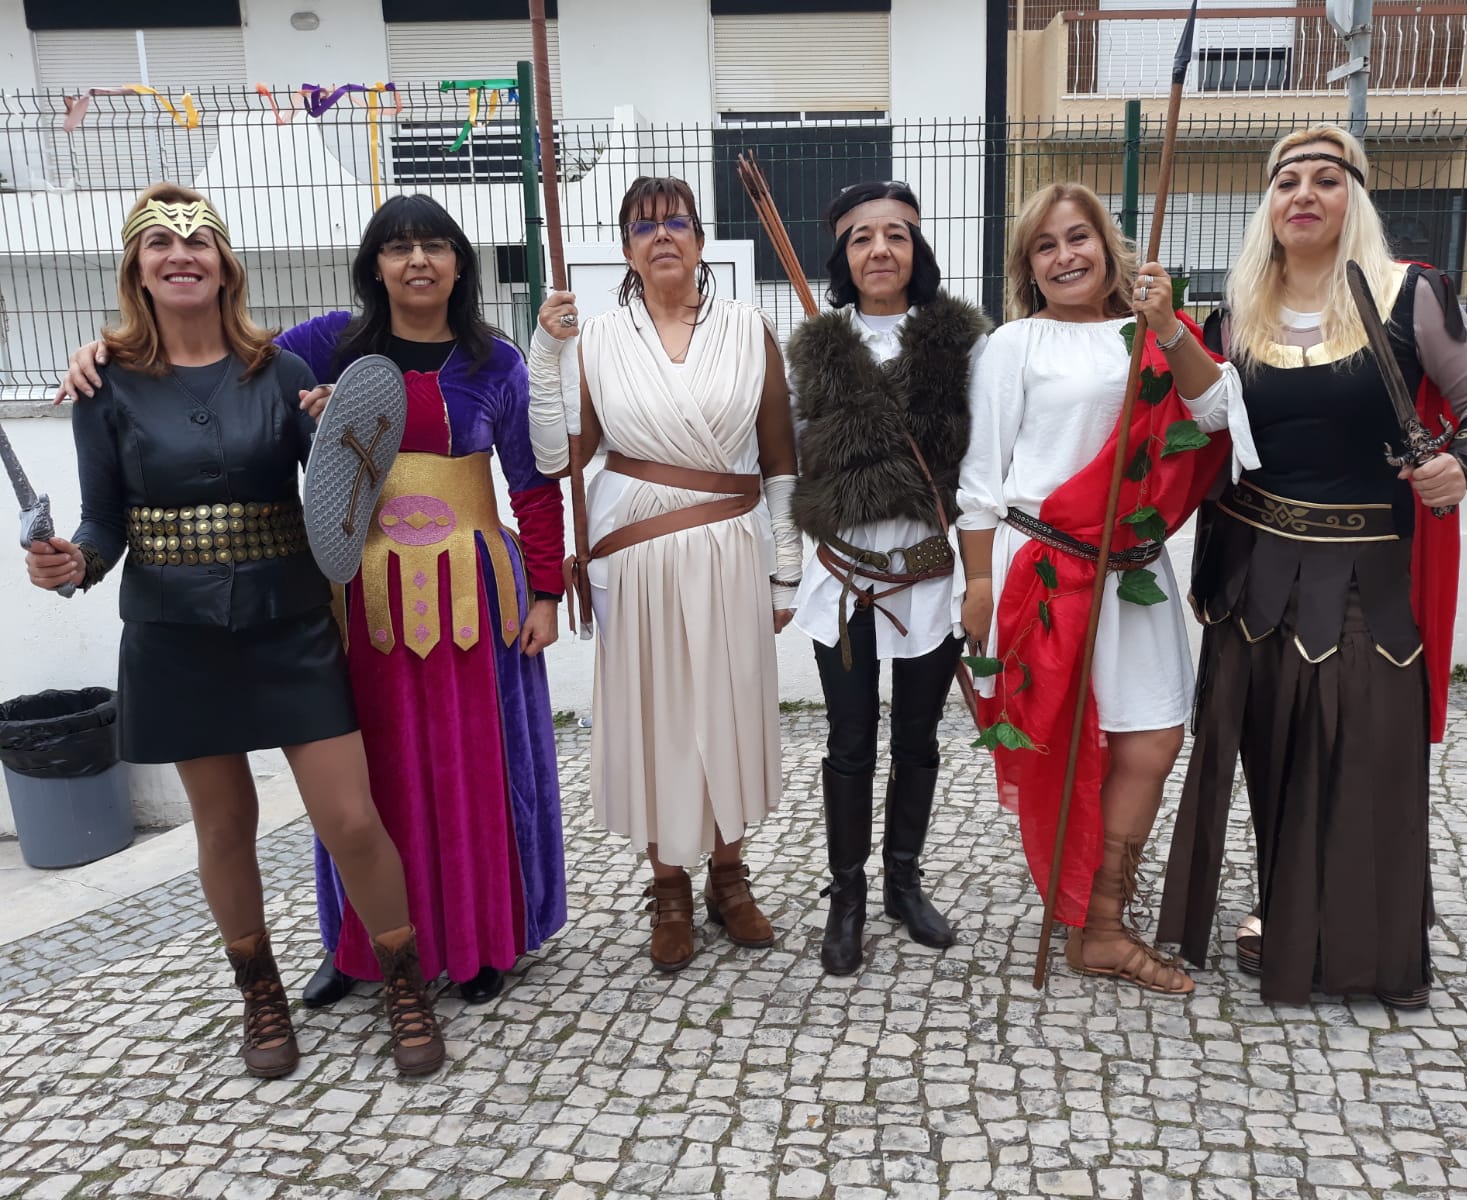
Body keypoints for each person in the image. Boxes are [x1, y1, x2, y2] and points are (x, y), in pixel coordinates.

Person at [57, 194, 568, 1007]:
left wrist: (545, 590)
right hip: (358, 597)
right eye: (398, 247)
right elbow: (221, 357)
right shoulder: (327, 343)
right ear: (374, 266)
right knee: (363, 786)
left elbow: (534, 484)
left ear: (461, 264)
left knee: (470, 766)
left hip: (472, 595)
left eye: (435, 246)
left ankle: (478, 939)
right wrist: (107, 351)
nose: (418, 261)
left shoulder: (496, 362)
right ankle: (357, 949)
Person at [28, 183, 444, 1077]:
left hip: (290, 624)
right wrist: (76, 564)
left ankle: (404, 983)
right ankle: (260, 996)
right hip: (174, 636)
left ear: (224, 265)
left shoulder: (280, 372)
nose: (181, 255)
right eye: (160, 244)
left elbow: (341, 497)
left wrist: (341, 432)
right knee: (223, 827)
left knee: (350, 817)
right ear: (137, 269)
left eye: (198, 242)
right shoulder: (105, 386)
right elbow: (104, 521)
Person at [1156, 125, 1467, 1008]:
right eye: (1287, 182)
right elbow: (1212, 434)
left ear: (1356, 197)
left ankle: (1367, 940)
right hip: (1252, 569)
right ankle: (1282, 910)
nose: (1304, 195)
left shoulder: (1411, 294)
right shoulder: (1237, 312)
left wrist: (1460, 461)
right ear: (1268, 204)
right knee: (1271, 747)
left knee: (1362, 748)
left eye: (1326, 179)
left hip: (1366, 569)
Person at [957, 182, 1254, 996]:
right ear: (1028, 266)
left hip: (1131, 570)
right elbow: (981, 478)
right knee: (1065, 745)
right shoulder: (1015, 344)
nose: (1065, 257)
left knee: (1151, 739)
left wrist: (1167, 328)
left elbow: (1218, 413)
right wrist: (977, 582)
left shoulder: (1153, 330)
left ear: (1108, 244)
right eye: (1045, 246)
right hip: (1048, 568)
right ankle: (1101, 927)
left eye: (1078, 237)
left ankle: (1102, 914)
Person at [527, 176, 799, 973]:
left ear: (700, 240)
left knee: (730, 713)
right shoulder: (597, 341)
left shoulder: (750, 330)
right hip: (636, 565)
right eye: (644, 227)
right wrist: (547, 352)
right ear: (626, 251)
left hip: (731, 556)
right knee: (659, 723)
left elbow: (781, 461)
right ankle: (669, 889)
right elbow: (554, 458)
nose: (663, 236)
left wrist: (786, 571)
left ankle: (730, 878)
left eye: (676, 221)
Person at [783, 181, 988, 975]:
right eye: (862, 237)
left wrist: (983, 575)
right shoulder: (813, 350)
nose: (880, 250)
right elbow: (787, 458)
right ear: (844, 255)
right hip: (844, 583)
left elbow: (983, 463)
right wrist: (783, 568)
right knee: (849, 739)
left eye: (896, 235)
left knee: (918, 737)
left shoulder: (963, 346)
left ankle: (904, 882)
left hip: (931, 577)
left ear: (917, 249)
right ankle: (848, 895)